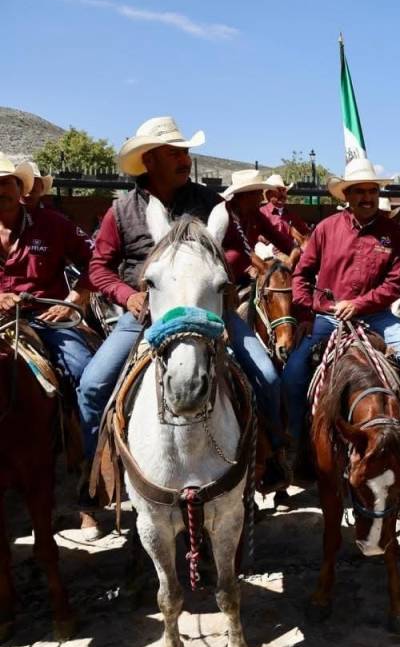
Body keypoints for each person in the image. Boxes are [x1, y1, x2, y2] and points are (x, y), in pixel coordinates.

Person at [79, 116, 291, 495]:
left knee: (268, 377)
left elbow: (237, 250)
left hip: (208, 312)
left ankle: (271, 453)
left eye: (185, 152)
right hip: (144, 315)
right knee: (93, 385)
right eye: (174, 153)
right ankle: (98, 472)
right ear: (150, 161)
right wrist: (129, 296)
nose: (185, 160)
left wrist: (210, 278)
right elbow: (99, 267)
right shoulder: (122, 210)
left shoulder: (211, 203)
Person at [284, 157, 400, 448]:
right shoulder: (326, 229)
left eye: (372, 192)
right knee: (292, 375)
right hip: (329, 317)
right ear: (348, 196)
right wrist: (305, 314)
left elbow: (393, 285)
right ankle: (294, 443)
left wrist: (360, 304)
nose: (367, 197)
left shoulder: (393, 234)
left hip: (377, 317)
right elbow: (301, 274)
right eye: (359, 192)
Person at [0, 152, 94, 403]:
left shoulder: (54, 224)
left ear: (20, 188)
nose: (0, 191)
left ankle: (87, 440)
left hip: (45, 318)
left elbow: (97, 261)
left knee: (84, 371)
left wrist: (74, 298)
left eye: (5, 182)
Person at [223, 170, 299, 269]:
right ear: (246, 196)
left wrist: (293, 252)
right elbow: (243, 249)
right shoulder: (225, 214)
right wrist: (264, 268)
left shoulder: (256, 215)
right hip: (224, 274)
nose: (261, 198)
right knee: (234, 256)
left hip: (247, 269)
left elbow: (277, 237)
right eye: (258, 193)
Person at [261, 173, 310, 246]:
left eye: (283, 190)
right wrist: (262, 238)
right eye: (278, 190)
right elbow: (254, 234)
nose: (282, 194)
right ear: (269, 194)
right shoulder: (261, 212)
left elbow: (306, 233)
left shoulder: (292, 214)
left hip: (291, 251)